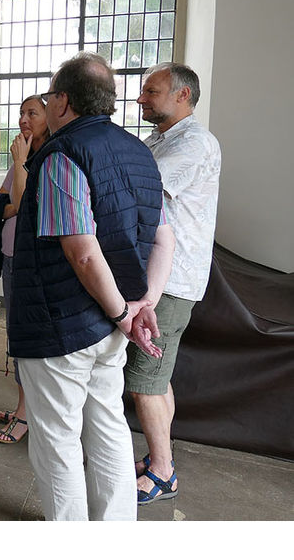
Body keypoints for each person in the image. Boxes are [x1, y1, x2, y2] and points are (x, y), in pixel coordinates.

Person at [8, 52, 175, 521]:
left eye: (48, 96)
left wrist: (125, 312)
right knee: (107, 426)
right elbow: (165, 237)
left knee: (58, 437)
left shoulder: (63, 154)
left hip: (64, 322)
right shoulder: (140, 152)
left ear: (62, 100)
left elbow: (81, 250)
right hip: (110, 324)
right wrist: (143, 304)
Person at [126, 62, 221, 505]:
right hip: (159, 277)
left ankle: (163, 472)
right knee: (158, 378)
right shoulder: (160, 140)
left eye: (152, 91)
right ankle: (157, 456)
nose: (141, 98)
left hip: (169, 281)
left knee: (145, 379)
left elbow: (140, 191)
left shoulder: (196, 144)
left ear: (182, 95)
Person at [0, 95, 50, 445]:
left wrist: (20, 164)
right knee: (14, 334)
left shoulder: (43, 158)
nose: (24, 119)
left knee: (26, 337)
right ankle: (23, 407)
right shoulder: (23, 159)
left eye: (33, 112)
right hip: (11, 256)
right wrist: (14, 202)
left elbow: (26, 205)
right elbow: (0, 207)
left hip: (33, 260)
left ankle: (26, 415)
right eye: (21, 113)